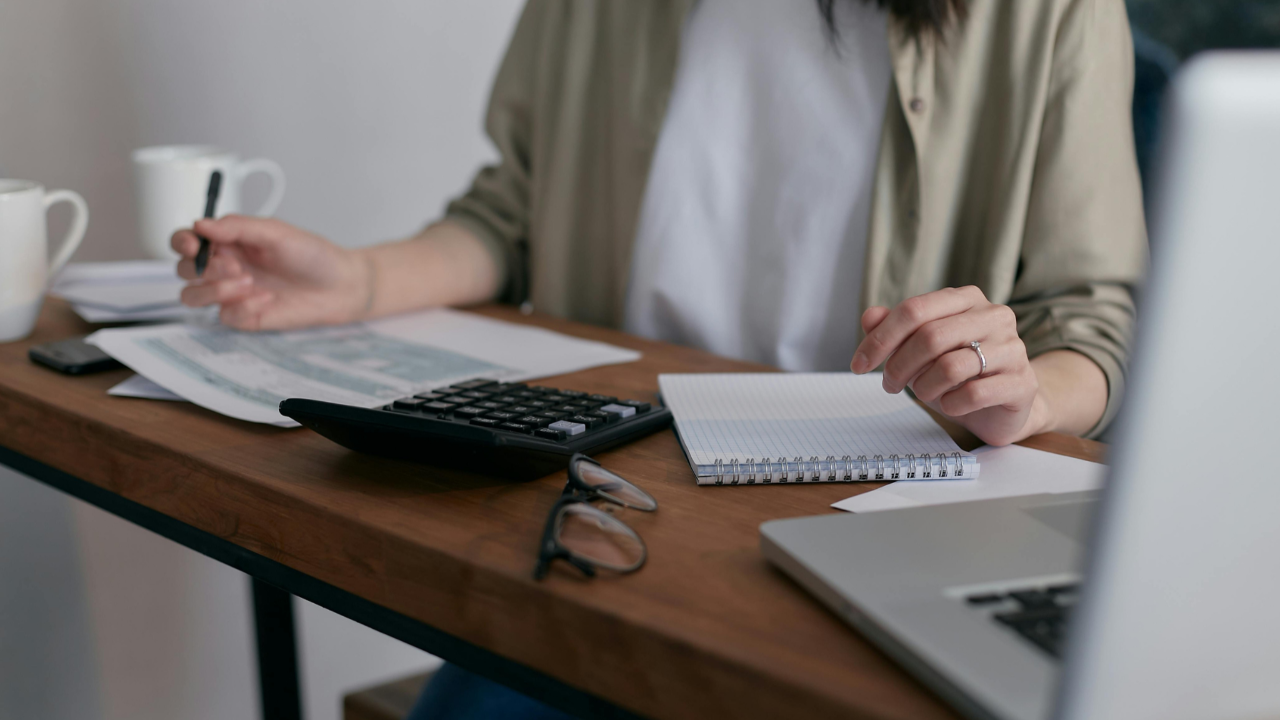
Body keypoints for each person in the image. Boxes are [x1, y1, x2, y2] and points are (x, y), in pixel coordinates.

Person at [172, 0, 1146, 715]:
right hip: (614, 506)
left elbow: (1089, 318)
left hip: (880, 514)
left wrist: (1020, 394)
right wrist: (354, 278)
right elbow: (511, 218)